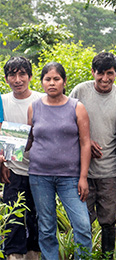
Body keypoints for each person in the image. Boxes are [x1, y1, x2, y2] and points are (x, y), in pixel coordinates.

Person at [27, 62, 92, 260]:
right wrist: (8, 147)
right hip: (39, 175)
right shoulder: (34, 107)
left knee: (82, 225)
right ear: (42, 82)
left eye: (56, 79)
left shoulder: (77, 107)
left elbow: (85, 143)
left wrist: (83, 177)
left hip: (70, 178)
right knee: (46, 226)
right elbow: (28, 139)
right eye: (47, 79)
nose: (52, 83)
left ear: (64, 82)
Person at [69, 52, 116, 258]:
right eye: (100, 73)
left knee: (109, 219)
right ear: (92, 72)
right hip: (81, 170)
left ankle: (107, 256)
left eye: (109, 73)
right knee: (83, 220)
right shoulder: (80, 91)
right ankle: (83, 256)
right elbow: (65, 122)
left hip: (110, 171)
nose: (105, 79)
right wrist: (85, 140)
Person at [1, 57, 42, 260]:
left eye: (22, 74)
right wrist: (2, 161)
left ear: (30, 76)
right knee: (13, 218)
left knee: (38, 217)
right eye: (12, 75)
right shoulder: (2, 100)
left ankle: (35, 255)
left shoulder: (42, 99)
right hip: (14, 169)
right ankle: (13, 256)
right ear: (6, 78)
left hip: (41, 170)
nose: (17, 79)